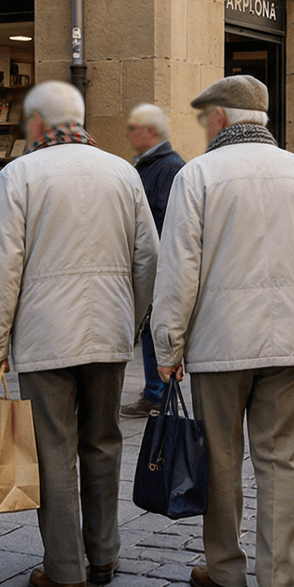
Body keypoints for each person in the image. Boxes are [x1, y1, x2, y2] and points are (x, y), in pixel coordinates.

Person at [151, 75, 294, 587]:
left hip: (219, 345)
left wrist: (168, 345)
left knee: (221, 458)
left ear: (220, 118)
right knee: (280, 460)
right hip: (288, 342)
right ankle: (278, 583)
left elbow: (177, 272)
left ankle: (226, 571)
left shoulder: (199, 175)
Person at [0, 82, 159, 587]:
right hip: (109, 331)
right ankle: (104, 554)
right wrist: (133, 317)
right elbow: (148, 258)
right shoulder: (123, 172)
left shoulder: (19, 175)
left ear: (36, 123)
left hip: (44, 335)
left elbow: (2, 269)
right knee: (103, 441)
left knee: (52, 448)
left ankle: (64, 569)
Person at [119, 104, 185, 419]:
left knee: (154, 327)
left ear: (151, 132)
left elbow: (165, 220)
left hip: (160, 264)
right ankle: (154, 391)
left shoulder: (168, 167)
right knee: (149, 328)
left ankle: (158, 394)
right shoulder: (147, 165)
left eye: (134, 128)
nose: (129, 134)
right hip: (150, 261)